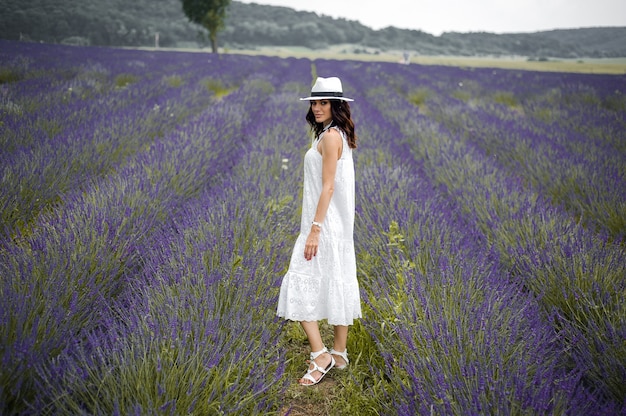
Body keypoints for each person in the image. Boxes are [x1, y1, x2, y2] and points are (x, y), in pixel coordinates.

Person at [276, 76, 361, 386]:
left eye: (324, 102)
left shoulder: (330, 138)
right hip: (335, 225)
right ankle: (339, 355)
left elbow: (327, 186)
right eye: (314, 102)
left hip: (323, 226)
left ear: (337, 106)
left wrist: (314, 230)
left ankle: (320, 354)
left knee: (298, 281)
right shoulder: (333, 134)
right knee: (338, 279)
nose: (318, 107)